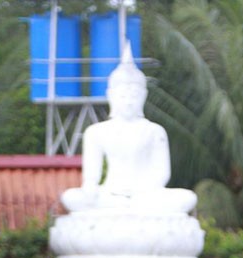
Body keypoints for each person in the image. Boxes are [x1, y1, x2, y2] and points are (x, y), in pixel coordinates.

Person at [60, 47, 196, 216]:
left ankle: (131, 206)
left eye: (134, 96)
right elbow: (91, 178)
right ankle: (124, 206)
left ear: (143, 96)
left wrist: (144, 191)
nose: (129, 101)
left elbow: (162, 173)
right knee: (71, 197)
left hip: (146, 196)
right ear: (111, 96)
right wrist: (90, 189)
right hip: (109, 194)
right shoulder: (96, 132)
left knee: (187, 198)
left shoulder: (154, 131)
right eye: (123, 96)